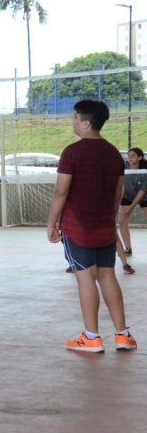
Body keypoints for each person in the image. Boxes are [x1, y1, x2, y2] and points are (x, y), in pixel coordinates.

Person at [47, 100, 136, 352]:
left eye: (75, 118)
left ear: (86, 123)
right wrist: (110, 219)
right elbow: (118, 193)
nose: (73, 121)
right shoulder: (113, 153)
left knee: (85, 278)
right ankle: (123, 335)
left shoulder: (73, 152)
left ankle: (91, 337)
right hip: (105, 225)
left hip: (78, 226)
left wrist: (51, 223)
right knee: (107, 276)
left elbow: (60, 192)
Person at [115, 146, 146, 274]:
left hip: (144, 195)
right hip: (128, 195)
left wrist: (132, 207)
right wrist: (118, 204)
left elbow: (142, 192)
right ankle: (128, 248)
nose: (129, 158)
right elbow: (122, 187)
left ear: (139, 157)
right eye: (128, 155)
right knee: (122, 221)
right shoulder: (125, 169)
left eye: (132, 155)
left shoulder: (145, 171)